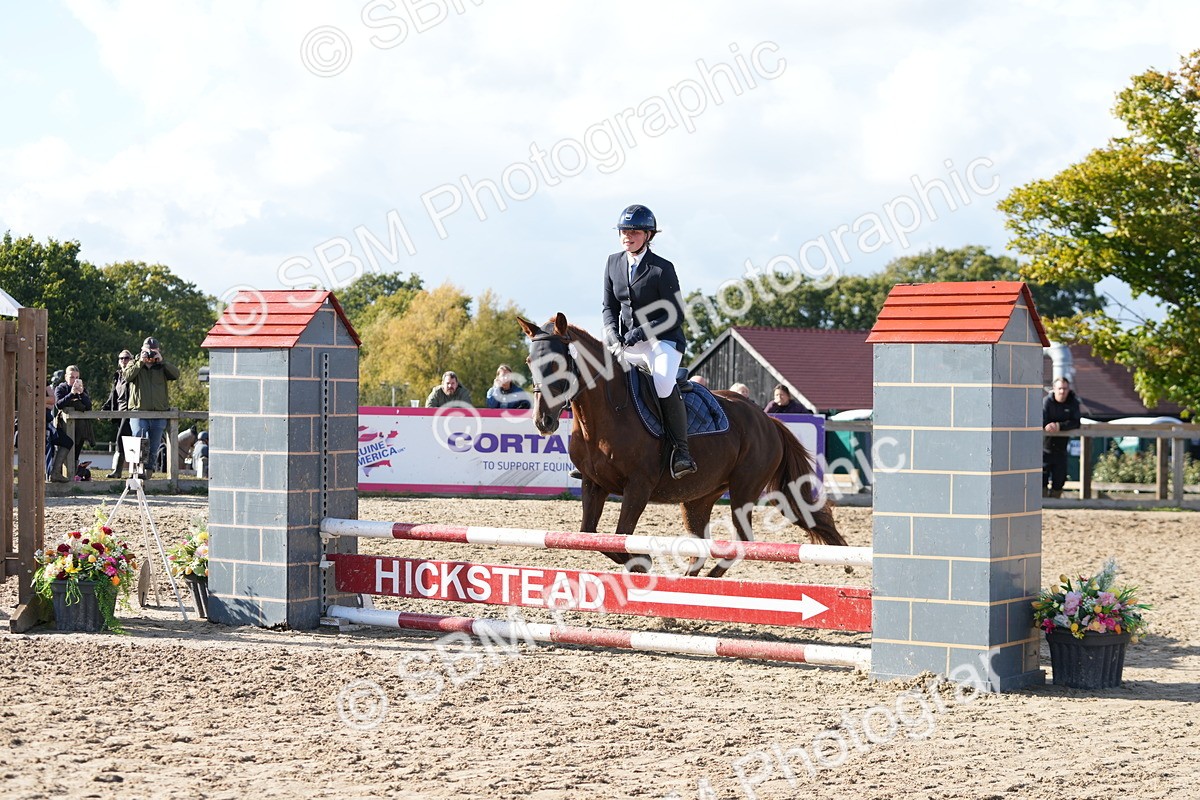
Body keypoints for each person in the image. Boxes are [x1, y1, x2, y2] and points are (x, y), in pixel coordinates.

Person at [602, 204, 696, 478]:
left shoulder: (662, 268)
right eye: (623, 231)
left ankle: (681, 451)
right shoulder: (612, 262)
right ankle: (592, 451)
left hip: (663, 341)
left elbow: (675, 314)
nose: (627, 236)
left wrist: (641, 332)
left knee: (663, 382)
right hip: (627, 342)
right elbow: (609, 307)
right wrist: (611, 331)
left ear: (648, 235)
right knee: (596, 376)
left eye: (634, 232)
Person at [122, 337, 179, 477]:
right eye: (148, 351)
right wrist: (140, 362)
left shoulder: (161, 366)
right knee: (138, 440)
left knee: (154, 446)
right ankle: (136, 470)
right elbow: (127, 377)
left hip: (159, 413)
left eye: (154, 351)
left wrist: (162, 361)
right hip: (139, 411)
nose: (151, 354)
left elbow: (176, 374)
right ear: (142, 350)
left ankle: (148, 472)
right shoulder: (134, 363)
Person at [1042, 377, 1081, 498]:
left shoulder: (1073, 402)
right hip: (1043, 449)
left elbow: (1076, 422)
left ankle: (1055, 502)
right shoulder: (1047, 402)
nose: (1062, 391)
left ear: (1069, 389)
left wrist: (1059, 426)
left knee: (1059, 480)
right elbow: (1041, 419)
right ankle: (1042, 503)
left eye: (1065, 389)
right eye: (1060, 388)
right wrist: (1047, 425)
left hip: (1061, 449)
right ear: (1054, 389)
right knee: (1041, 480)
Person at [54, 364, 95, 469]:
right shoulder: (61, 388)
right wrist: (71, 394)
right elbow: (58, 404)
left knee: (76, 452)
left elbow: (89, 406)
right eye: (72, 377)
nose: (74, 380)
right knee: (65, 450)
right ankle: (59, 471)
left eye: (77, 377)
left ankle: (74, 473)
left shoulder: (82, 390)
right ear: (66, 377)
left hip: (80, 428)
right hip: (64, 426)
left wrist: (81, 393)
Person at [102, 349, 135, 478]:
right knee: (125, 442)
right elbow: (114, 395)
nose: (123, 360)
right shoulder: (118, 376)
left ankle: (120, 471)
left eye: (127, 358)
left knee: (123, 440)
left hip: (130, 412)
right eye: (121, 358)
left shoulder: (133, 375)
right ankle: (122, 471)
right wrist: (105, 409)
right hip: (119, 413)